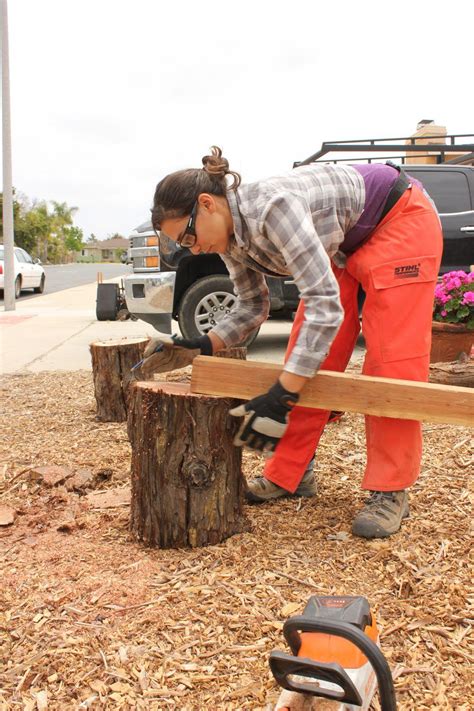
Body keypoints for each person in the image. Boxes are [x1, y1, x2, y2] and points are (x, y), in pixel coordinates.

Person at [147, 146, 443, 539]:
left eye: (188, 236)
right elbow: (253, 305)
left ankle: (390, 490)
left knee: (393, 361)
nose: (193, 248)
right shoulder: (229, 238)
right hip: (343, 244)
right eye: (184, 246)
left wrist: (282, 393)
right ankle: (291, 473)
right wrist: (201, 345)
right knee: (305, 357)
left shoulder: (274, 210)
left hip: (399, 219)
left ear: (207, 204)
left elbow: (326, 308)